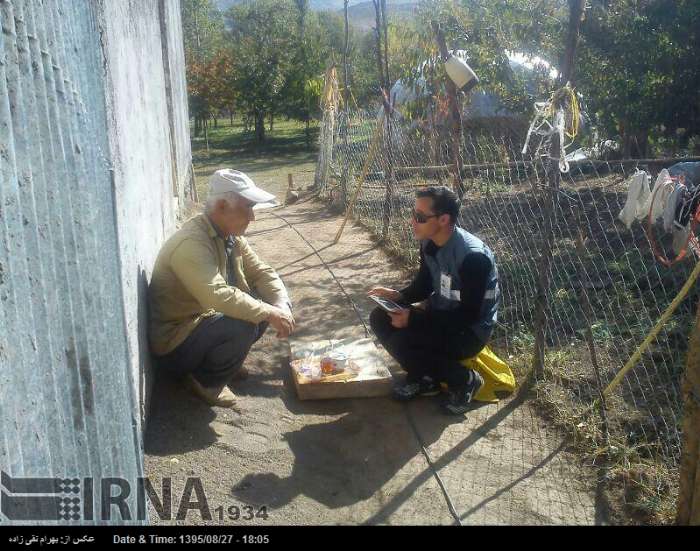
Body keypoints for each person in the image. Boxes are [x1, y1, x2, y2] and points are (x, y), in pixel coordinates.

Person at [149, 169, 294, 409]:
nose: (252, 217)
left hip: (201, 325)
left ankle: (221, 362)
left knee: (262, 303)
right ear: (222, 206)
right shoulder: (191, 243)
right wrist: (269, 312)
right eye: (247, 208)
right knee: (247, 320)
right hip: (174, 344)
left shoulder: (230, 236)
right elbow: (216, 295)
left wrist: (281, 303)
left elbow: (261, 272)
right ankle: (205, 382)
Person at [368, 186, 499, 415]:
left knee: (405, 338)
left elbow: (469, 315)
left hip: (468, 332)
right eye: (413, 214)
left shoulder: (473, 257)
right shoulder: (429, 242)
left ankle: (465, 380)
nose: (412, 221)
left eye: (420, 217)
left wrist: (414, 318)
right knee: (380, 317)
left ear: (444, 219)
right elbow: (424, 285)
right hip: (441, 317)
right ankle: (426, 378)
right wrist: (398, 296)